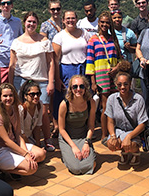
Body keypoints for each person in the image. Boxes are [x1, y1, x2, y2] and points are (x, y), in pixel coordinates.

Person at [9, 11, 55, 151]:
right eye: (29, 21)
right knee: (20, 111)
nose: (31, 24)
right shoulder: (16, 42)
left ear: (37, 23)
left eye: (34, 22)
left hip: (40, 80)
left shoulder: (45, 41)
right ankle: (21, 139)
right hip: (21, 80)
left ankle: (46, 140)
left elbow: (51, 62)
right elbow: (12, 65)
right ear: (24, 22)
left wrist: (51, 82)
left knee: (44, 111)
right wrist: (10, 86)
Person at [0, 83, 46, 176]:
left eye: (11, 95)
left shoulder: (15, 109)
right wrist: (24, 154)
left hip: (14, 144)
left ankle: (14, 165)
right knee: (31, 168)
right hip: (1, 149)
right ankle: (2, 170)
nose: (8, 98)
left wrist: (26, 151)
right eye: (5, 96)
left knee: (41, 154)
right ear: (0, 97)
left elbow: (18, 134)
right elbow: (6, 141)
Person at [86, 11, 124, 145]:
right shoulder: (93, 40)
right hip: (101, 75)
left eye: (107, 22)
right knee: (105, 105)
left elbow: (120, 58)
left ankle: (117, 131)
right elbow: (90, 61)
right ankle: (104, 134)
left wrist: (117, 68)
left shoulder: (113, 38)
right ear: (98, 23)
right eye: (102, 22)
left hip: (115, 75)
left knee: (117, 104)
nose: (104, 24)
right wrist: (93, 81)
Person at [52, 10, 91, 129]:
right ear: (63, 20)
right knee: (66, 98)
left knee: (84, 98)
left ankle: (84, 126)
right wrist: (57, 79)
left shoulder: (84, 33)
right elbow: (55, 60)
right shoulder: (59, 37)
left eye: (73, 18)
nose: (70, 21)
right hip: (66, 70)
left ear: (76, 19)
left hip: (83, 69)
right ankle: (62, 127)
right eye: (68, 18)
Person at [105, 72, 148, 166]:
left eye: (125, 84)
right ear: (116, 84)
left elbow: (143, 123)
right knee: (111, 144)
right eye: (119, 84)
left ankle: (135, 151)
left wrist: (129, 136)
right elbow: (110, 121)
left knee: (130, 144)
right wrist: (113, 136)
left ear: (130, 84)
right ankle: (124, 151)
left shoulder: (138, 99)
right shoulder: (112, 99)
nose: (123, 87)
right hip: (119, 130)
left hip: (134, 132)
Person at [58, 75, 97, 175]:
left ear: (85, 88)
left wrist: (87, 143)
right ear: (71, 89)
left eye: (81, 86)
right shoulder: (64, 104)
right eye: (75, 87)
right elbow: (61, 129)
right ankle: (67, 155)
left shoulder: (90, 102)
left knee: (89, 165)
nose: (78, 89)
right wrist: (73, 146)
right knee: (75, 168)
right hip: (68, 138)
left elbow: (91, 126)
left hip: (83, 136)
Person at [18, 80, 45, 148]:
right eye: (32, 94)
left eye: (38, 94)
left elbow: (37, 127)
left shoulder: (39, 105)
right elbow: (21, 133)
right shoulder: (21, 109)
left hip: (29, 138)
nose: (35, 97)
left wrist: (38, 144)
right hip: (19, 140)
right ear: (25, 96)